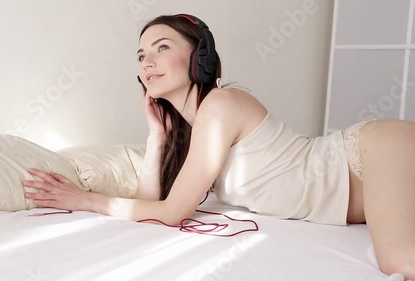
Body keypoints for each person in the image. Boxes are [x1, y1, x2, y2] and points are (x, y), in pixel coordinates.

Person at [22, 14, 415, 279]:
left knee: (398, 263)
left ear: (199, 58)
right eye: (141, 55)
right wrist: (157, 137)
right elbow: (151, 207)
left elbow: (171, 213)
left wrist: (85, 199)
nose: (147, 63)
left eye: (161, 48)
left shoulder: (220, 106)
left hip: (372, 152)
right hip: (366, 186)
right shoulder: (197, 129)